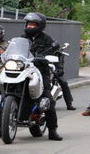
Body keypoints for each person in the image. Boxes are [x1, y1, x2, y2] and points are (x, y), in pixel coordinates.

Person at [22, 12, 63, 141]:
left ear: (39, 26)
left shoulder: (47, 40)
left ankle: (52, 130)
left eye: (33, 24)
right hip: (24, 71)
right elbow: (14, 50)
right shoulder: (22, 38)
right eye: (28, 23)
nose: (30, 26)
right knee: (8, 93)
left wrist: (55, 62)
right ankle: (2, 128)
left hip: (40, 71)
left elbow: (56, 53)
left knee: (47, 98)